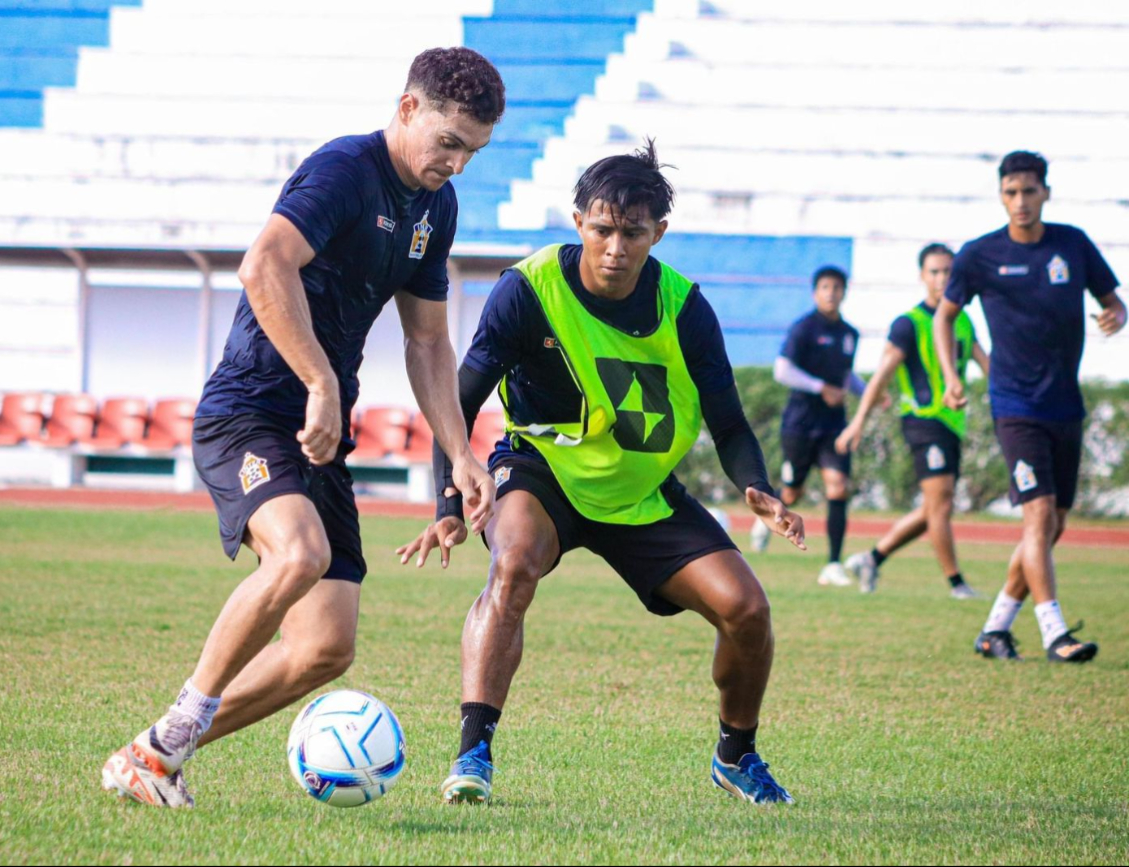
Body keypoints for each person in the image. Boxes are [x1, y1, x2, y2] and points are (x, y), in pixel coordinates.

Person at [101, 48, 504, 807]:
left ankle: (154, 752)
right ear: (408, 108)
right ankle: (171, 737)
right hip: (249, 411)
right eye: (448, 142)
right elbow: (263, 266)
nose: (456, 163)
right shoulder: (344, 170)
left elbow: (427, 341)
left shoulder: (435, 209)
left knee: (325, 646)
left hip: (319, 432)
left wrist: (461, 452)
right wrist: (321, 380)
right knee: (300, 555)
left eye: (472, 152)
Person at [397, 142, 806, 806]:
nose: (616, 246)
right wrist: (449, 497)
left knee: (748, 611)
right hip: (541, 469)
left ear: (658, 234)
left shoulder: (685, 307)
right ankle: (473, 751)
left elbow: (729, 422)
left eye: (633, 232)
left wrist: (755, 486)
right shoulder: (528, 290)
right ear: (579, 220)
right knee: (515, 562)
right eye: (602, 228)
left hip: (639, 490)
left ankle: (736, 754)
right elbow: (458, 398)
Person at [934, 150, 1124, 663]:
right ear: (1001, 196)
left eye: (1029, 191)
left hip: (1066, 404)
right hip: (1014, 405)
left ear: (1045, 193)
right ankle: (1055, 633)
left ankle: (995, 629)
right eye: (1011, 192)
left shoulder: (1072, 244)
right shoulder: (980, 255)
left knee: (1053, 524)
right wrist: (954, 376)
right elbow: (943, 318)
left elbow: (1114, 302)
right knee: (1038, 516)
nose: (1020, 201)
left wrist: (1116, 316)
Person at [835, 243, 989, 597]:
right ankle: (957, 583)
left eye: (948, 271)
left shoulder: (963, 319)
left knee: (936, 506)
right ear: (922, 276)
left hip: (953, 424)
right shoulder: (909, 323)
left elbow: (988, 365)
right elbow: (881, 376)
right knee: (941, 504)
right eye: (934, 271)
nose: (942, 278)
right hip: (922, 422)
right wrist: (858, 421)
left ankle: (872, 558)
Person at [751, 266, 865, 587]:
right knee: (792, 492)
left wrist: (869, 394)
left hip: (834, 427)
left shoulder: (849, 334)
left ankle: (832, 564)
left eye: (837, 287)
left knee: (838, 486)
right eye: (825, 287)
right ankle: (766, 519)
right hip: (800, 426)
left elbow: (845, 376)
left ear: (844, 292)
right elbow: (781, 370)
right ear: (816, 292)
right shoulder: (803, 329)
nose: (831, 293)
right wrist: (819, 388)